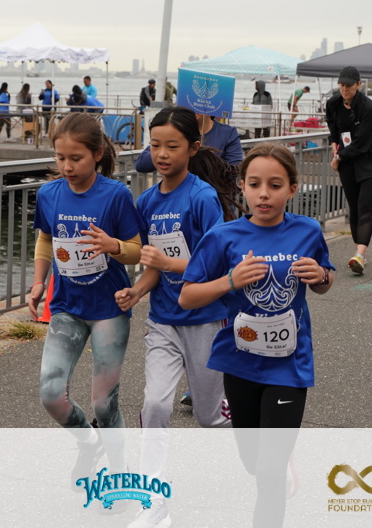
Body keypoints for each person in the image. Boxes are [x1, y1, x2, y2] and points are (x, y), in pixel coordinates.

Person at [179, 143, 334, 527]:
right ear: (242, 187)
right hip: (240, 363)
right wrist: (230, 281)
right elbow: (187, 297)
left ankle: (277, 469)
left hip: (289, 365)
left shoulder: (308, 230)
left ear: (293, 188)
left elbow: (324, 280)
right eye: (254, 184)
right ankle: (279, 460)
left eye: (275, 185)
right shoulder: (223, 237)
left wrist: (320, 276)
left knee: (268, 473)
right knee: (253, 463)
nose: (264, 194)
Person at [114, 108, 242, 527]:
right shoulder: (147, 202)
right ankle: (153, 501)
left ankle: (255, 432)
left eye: (172, 146)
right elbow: (153, 264)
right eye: (155, 146)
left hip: (206, 320)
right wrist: (138, 291)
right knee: (154, 404)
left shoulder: (202, 198)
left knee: (208, 416)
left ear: (193, 148)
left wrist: (167, 263)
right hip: (163, 321)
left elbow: (215, 266)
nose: (162, 154)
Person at [27, 113, 143, 483]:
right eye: (60, 158)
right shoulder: (49, 194)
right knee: (51, 394)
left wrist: (114, 246)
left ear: (97, 154)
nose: (67, 167)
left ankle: (119, 472)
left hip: (109, 308)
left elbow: (137, 251)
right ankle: (89, 442)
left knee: (104, 404)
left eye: (75, 158)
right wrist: (38, 282)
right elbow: (46, 238)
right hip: (66, 307)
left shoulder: (115, 195)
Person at [325, 66, 372, 274]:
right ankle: (359, 252)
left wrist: (339, 158)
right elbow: (333, 129)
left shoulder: (368, 108)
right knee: (353, 207)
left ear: (358, 85)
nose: (345, 89)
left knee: (364, 206)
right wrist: (334, 148)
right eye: (342, 85)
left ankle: (360, 254)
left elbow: (362, 142)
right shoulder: (333, 103)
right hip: (348, 161)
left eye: (349, 85)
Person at [135, 112, 242, 172]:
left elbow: (235, 173)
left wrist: (206, 157)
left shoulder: (228, 133)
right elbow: (141, 164)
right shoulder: (176, 130)